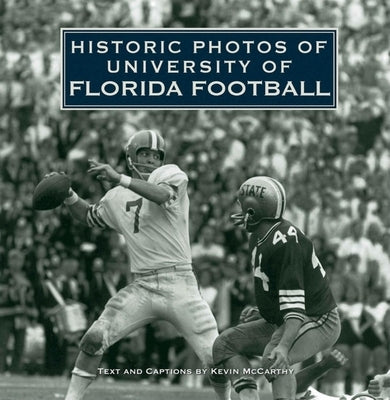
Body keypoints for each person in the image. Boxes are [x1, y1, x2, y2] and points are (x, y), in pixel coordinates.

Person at [55, 130, 230, 400]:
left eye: (155, 155)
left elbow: (160, 195)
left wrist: (120, 179)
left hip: (180, 284)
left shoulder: (172, 174)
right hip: (143, 286)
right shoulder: (115, 196)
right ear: (130, 156)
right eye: (144, 154)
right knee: (94, 338)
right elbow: (90, 216)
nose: (150, 160)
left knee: (216, 359)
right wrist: (68, 195)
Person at [212, 176, 341, 400]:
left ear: (254, 210)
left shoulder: (283, 244)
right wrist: (264, 310)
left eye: (243, 205)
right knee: (224, 344)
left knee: (274, 359)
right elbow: (277, 287)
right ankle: (249, 397)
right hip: (287, 316)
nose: (239, 211)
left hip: (318, 318)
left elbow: (295, 307)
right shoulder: (262, 234)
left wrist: (283, 346)